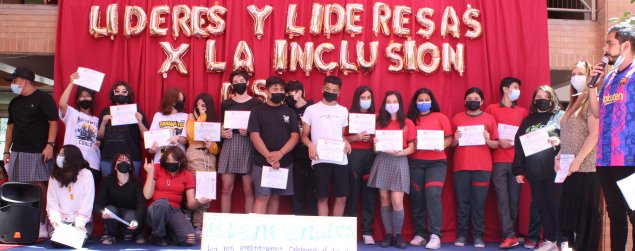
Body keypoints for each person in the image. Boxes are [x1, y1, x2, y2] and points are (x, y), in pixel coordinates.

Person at [588, 23, 635, 251]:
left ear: (626, 45)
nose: (605, 48)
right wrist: (591, 87)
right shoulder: (608, 78)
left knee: (634, 214)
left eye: (610, 43)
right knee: (615, 215)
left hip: (629, 159)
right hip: (605, 159)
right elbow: (597, 113)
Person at [3, 67, 58, 238]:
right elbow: (10, 127)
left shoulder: (43, 98)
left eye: (14, 80)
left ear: (24, 81)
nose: (13, 84)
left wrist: (50, 145)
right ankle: (18, 223)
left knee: (38, 186)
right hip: (17, 151)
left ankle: (42, 223)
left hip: (38, 151)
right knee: (17, 188)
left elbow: (53, 122)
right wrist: (6, 151)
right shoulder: (15, 102)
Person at [512, 85, 564, 251]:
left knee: (556, 205)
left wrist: (560, 142)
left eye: (545, 96)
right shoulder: (528, 120)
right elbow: (519, 145)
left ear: (552, 99)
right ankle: (549, 239)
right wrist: (518, 169)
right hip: (534, 172)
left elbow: (570, 138)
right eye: (538, 97)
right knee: (542, 206)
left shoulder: (560, 116)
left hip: (554, 171)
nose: (541, 99)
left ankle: (562, 240)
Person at [556, 61, 600, 251]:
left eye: (580, 73)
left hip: (586, 168)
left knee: (585, 219)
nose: (575, 77)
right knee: (570, 217)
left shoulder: (591, 101)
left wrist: (578, 160)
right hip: (569, 169)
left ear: (590, 75)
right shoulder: (573, 103)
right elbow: (567, 136)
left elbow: (595, 134)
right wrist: (558, 156)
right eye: (573, 73)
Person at [451, 87, 499, 248]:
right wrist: (455, 139)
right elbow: (450, 144)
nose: (473, 101)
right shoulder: (457, 118)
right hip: (461, 167)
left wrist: (487, 139)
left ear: (482, 101)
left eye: (476, 98)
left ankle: (478, 236)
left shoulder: (489, 119)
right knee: (462, 203)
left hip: (482, 168)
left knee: (479, 203)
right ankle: (462, 234)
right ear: (465, 101)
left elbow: (495, 144)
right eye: (470, 98)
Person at [367, 91, 416, 249]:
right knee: (384, 199)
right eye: (389, 101)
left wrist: (400, 153)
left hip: (400, 160)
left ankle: (399, 235)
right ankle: (388, 235)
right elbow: (375, 150)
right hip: (382, 160)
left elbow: (412, 147)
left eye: (395, 101)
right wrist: (375, 144)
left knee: (397, 200)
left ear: (400, 104)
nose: (392, 104)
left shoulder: (408, 123)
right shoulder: (380, 123)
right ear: (384, 104)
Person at [485, 77, 528, 249]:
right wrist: (498, 141)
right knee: (502, 199)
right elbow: (487, 131)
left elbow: (526, 135)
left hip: (517, 162)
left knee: (514, 200)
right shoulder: (491, 109)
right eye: (515, 87)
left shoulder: (522, 111)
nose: (518, 90)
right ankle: (509, 235)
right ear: (505, 89)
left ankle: (511, 234)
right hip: (498, 161)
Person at [406, 88, 452, 249]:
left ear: (432, 101)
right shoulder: (410, 119)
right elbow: (405, 141)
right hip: (415, 163)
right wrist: (413, 143)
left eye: (427, 99)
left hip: (436, 163)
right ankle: (420, 233)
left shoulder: (441, 117)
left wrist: (441, 145)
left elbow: (448, 139)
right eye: (420, 100)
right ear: (415, 102)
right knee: (416, 197)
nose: (423, 103)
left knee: (433, 195)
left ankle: (435, 235)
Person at [301, 75, 351, 217]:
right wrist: (310, 145)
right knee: (322, 197)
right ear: (322, 88)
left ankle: (335, 233)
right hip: (320, 158)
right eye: (328, 89)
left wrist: (346, 141)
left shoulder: (343, 110)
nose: (330, 92)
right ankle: (324, 234)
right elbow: (304, 135)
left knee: (341, 196)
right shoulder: (311, 110)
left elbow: (340, 134)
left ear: (339, 92)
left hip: (340, 159)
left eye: (334, 90)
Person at [248, 76, 299, 214]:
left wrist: (280, 154)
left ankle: (271, 234)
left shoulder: (289, 112)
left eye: (282, 90)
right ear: (267, 91)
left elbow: (295, 136)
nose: (279, 92)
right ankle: (257, 233)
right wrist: (270, 157)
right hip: (261, 162)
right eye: (275, 89)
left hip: (284, 162)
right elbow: (254, 135)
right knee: (262, 196)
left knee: (275, 197)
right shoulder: (257, 111)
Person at [143, 146, 210, 247]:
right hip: (155, 209)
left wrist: (200, 201)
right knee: (163, 203)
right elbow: (147, 195)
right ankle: (157, 236)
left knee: (189, 239)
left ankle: (165, 236)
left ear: (180, 162)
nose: (171, 163)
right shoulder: (156, 168)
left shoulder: (187, 175)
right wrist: (150, 173)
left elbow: (191, 204)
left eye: (174, 160)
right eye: (168, 160)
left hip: (174, 210)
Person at [218, 70, 261, 213]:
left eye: (241, 81)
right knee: (226, 187)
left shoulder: (256, 103)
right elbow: (221, 125)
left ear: (247, 82)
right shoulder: (226, 103)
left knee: (248, 188)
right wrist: (222, 133)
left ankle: (248, 223)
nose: (239, 84)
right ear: (232, 85)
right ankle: (225, 223)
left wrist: (249, 131)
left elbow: (260, 126)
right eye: (235, 82)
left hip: (248, 144)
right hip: (230, 143)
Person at [344, 85, 378, 245]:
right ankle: (349, 231)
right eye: (363, 98)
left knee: (369, 195)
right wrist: (355, 137)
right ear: (357, 99)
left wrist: (374, 140)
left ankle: (367, 232)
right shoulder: (348, 116)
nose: (366, 101)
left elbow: (385, 139)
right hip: (353, 157)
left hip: (372, 157)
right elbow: (341, 138)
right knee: (352, 194)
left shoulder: (377, 117)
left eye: (368, 98)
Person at [185, 93, 219, 238]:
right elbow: (193, 135)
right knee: (193, 190)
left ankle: (198, 225)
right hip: (194, 155)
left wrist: (211, 145)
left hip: (209, 157)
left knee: (207, 192)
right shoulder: (191, 117)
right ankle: (187, 223)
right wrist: (202, 115)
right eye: (198, 105)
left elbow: (216, 150)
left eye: (203, 105)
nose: (200, 107)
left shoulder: (213, 122)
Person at [46, 145, 95, 248]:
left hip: (80, 222)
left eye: (62, 155)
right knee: (58, 243)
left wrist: (80, 221)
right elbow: (52, 202)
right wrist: (55, 221)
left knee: (76, 243)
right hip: (60, 221)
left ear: (72, 158)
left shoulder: (86, 174)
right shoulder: (54, 176)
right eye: (59, 154)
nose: (59, 157)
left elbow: (87, 201)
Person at [98, 81, 149, 177]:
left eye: (124, 91)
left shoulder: (137, 112)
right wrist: (103, 124)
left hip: (132, 157)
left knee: (130, 188)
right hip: (108, 158)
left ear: (128, 94)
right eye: (117, 91)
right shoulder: (105, 111)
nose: (120, 93)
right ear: (113, 94)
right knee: (109, 188)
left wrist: (140, 123)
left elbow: (147, 137)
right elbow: (99, 136)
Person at [95, 153, 146, 245]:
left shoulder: (136, 182)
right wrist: (102, 212)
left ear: (130, 166)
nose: (123, 162)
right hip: (113, 213)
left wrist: (137, 220)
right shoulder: (107, 181)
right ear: (114, 166)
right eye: (120, 160)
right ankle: (110, 235)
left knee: (132, 216)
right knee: (109, 209)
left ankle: (134, 233)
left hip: (130, 213)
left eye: (127, 161)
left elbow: (141, 204)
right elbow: (98, 203)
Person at [59, 72, 101, 183]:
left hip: (92, 163)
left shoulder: (98, 120)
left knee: (88, 196)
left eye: (87, 96)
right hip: (72, 161)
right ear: (77, 100)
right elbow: (62, 104)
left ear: (92, 99)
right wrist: (71, 83)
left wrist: (100, 143)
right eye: (82, 96)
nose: (85, 98)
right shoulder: (72, 113)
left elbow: (101, 138)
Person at [285, 81, 317, 216]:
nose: (287, 96)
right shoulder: (287, 110)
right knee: (296, 193)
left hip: (313, 156)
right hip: (294, 156)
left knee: (313, 192)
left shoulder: (314, 108)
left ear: (299, 93)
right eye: (286, 94)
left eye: (290, 94)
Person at [148, 87, 188, 163]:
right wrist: (151, 149)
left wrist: (178, 138)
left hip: (179, 160)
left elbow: (186, 140)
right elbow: (151, 141)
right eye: (179, 99)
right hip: (161, 159)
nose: (181, 102)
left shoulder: (185, 116)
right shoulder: (158, 116)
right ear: (171, 99)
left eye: (182, 100)